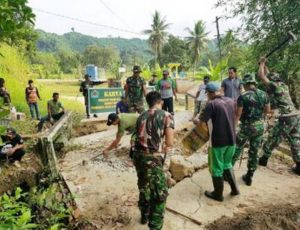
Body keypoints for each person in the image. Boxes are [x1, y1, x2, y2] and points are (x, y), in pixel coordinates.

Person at [132, 91, 174, 229]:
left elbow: (134, 138)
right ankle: (155, 226)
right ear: (160, 101)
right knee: (159, 195)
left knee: (144, 187)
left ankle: (144, 215)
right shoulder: (166, 115)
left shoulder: (141, 116)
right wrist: (163, 147)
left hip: (138, 158)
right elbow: (170, 142)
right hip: (152, 159)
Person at [197, 82, 239, 202]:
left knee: (216, 168)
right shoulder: (231, 101)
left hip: (217, 142)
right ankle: (235, 189)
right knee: (227, 164)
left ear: (210, 93)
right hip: (232, 139)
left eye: (207, 94)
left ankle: (218, 194)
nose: (207, 96)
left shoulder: (211, 104)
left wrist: (198, 123)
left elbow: (202, 123)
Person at [258, 57, 300, 175]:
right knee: (295, 141)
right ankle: (299, 165)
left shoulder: (274, 86)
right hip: (296, 116)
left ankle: (263, 160)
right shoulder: (283, 85)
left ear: (272, 80)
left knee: (273, 137)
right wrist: (264, 64)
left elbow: (262, 76)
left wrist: (261, 63)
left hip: (287, 117)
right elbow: (268, 74)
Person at [232, 74, 271, 185]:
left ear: (246, 84)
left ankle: (227, 173)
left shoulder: (243, 96)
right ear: (254, 83)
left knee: (237, 149)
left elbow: (238, 114)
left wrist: (233, 127)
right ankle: (249, 176)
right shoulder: (264, 94)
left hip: (247, 127)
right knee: (254, 152)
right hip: (259, 127)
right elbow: (267, 111)